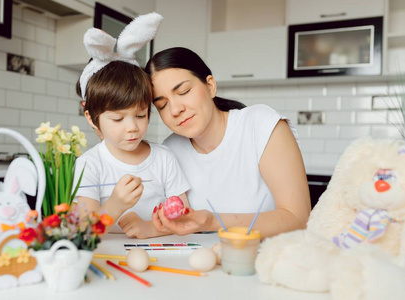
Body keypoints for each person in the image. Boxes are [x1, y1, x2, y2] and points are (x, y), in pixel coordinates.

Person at [145, 47, 311, 239]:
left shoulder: (261, 124)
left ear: (210, 85)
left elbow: (298, 219)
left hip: (266, 261)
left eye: (183, 91)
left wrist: (212, 221)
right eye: (162, 105)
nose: (175, 109)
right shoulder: (170, 150)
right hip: (203, 264)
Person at [72, 14, 190, 239]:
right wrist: (115, 204)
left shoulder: (164, 158)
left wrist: (152, 228)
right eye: (118, 119)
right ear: (91, 117)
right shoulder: (89, 165)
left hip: (159, 252)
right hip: (107, 256)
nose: (132, 128)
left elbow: (183, 217)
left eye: (140, 115)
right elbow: (83, 233)